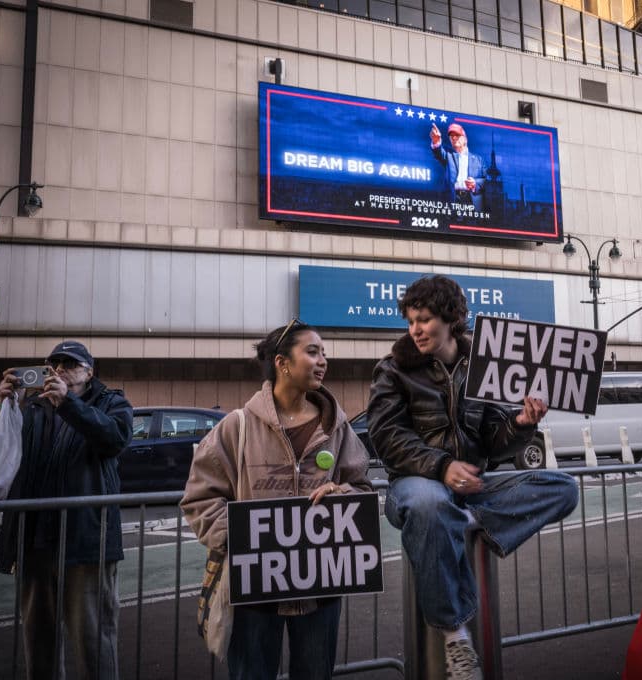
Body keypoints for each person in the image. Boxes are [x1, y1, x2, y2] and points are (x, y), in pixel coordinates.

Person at [368, 275, 579, 680]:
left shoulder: (484, 366)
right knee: (430, 503)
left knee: (564, 488)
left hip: (473, 490)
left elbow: (494, 444)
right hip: (415, 486)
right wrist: (441, 467)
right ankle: (455, 636)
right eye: (410, 321)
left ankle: (464, 519)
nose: (415, 329)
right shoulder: (392, 370)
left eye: (424, 319)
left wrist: (521, 423)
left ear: (451, 318)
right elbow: (386, 437)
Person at [181, 320, 372, 680]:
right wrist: (244, 538)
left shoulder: (336, 426)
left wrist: (342, 495)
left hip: (321, 593)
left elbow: (361, 488)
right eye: (312, 352)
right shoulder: (237, 426)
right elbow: (199, 498)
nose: (323, 361)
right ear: (282, 363)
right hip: (254, 594)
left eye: (324, 353)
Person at [0, 341, 134, 680]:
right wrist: (5, 408)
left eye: (69, 364)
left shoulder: (111, 402)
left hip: (85, 542)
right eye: (54, 363)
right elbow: (1, 456)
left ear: (89, 371)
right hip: (35, 541)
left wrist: (68, 403)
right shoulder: (33, 406)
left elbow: (115, 438)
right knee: (38, 640)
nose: (59, 370)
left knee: (93, 639)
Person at [430, 123, 487, 210]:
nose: (453, 138)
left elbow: (487, 180)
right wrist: (436, 142)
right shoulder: (448, 155)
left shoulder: (479, 160)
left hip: (472, 201)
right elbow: (438, 153)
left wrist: (475, 183)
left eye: (457, 135)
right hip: (453, 200)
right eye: (451, 136)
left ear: (465, 139)